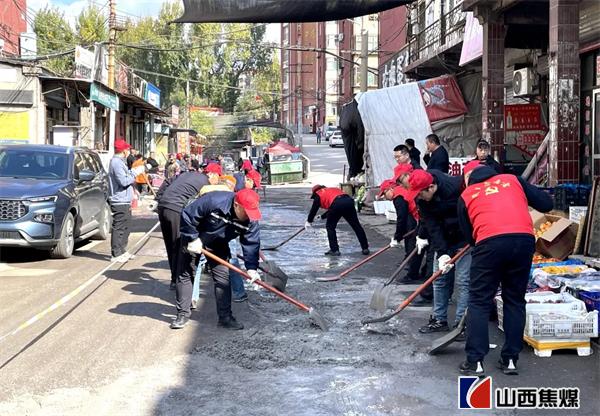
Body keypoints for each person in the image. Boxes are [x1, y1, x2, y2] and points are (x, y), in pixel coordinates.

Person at [457, 161, 553, 376]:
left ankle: (475, 361)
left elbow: (468, 236)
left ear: (468, 179)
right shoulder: (513, 180)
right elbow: (546, 204)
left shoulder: (467, 195)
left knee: (479, 301)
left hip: (488, 244)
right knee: (514, 299)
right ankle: (510, 360)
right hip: (523, 240)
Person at [172, 189, 262, 330]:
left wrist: (251, 268)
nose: (248, 216)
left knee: (223, 278)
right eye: (246, 212)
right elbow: (188, 215)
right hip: (195, 237)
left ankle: (225, 318)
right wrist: (193, 238)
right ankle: (182, 314)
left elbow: (251, 243)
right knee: (186, 273)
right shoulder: (214, 201)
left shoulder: (251, 219)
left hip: (219, 242)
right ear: (236, 205)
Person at [408, 169, 472, 334]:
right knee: (439, 280)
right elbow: (432, 225)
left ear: (431, 187)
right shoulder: (422, 200)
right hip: (444, 238)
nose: (419, 198)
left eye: (421, 194)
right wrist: (442, 252)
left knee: (463, 281)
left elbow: (471, 212)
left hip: (465, 239)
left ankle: (461, 325)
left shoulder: (457, 187)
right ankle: (439, 319)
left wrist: (472, 237)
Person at [156, 168, 210, 290]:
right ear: (211, 174)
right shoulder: (206, 183)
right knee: (178, 244)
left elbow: (167, 181)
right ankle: (177, 280)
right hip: (176, 208)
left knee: (170, 244)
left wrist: (159, 199)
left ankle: (174, 278)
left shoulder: (186, 174)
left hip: (163, 206)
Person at [379, 166, 420, 283]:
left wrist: (397, 236)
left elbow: (401, 218)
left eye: (384, 194)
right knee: (412, 243)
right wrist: (400, 235)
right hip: (414, 217)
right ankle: (412, 267)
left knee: (413, 244)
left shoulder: (398, 197)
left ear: (390, 189)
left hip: (416, 218)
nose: (385, 198)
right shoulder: (401, 191)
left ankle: (412, 273)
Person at [305, 185, 370, 256]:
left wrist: (309, 221)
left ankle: (334, 250)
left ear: (315, 192)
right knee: (356, 226)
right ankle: (365, 248)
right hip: (349, 201)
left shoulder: (319, 194)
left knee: (330, 227)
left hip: (337, 204)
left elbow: (314, 209)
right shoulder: (333, 189)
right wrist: (322, 217)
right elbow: (335, 205)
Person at [108, 140, 145, 262]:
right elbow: (123, 181)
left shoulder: (120, 162)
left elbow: (126, 175)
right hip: (119, 200)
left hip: (125, 199)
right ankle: (116, 253)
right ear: (123, 151)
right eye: (127, 149)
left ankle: (122, 250)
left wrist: (134, 172)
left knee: (126, 226)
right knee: (119, 227)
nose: (129, 151)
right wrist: (135, 174)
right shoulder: (116, 163)